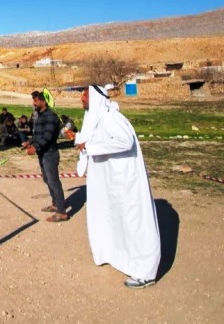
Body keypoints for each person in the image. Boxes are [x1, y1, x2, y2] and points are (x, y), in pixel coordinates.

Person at [75, 85, 161, 289]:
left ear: (95, 99)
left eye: (85, 95)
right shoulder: (99, 120)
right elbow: (97, 141)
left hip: (124, 181)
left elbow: (125, 141)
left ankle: (145, 272)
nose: (82, 99)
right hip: (109, 180)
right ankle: (115, 256)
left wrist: (90, 147)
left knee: (133, 222)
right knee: (111, 218)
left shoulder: (110, 118)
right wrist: (82, 142)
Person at [23, 91, 67, 222]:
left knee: (54, 182)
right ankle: (55, 204)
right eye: (33, 100)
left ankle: (62, 212)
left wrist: (35, 147)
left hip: (50, 154)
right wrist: (30, 142)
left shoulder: (51, 116)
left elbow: (48, 137)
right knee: (47, 180)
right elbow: (38, 135)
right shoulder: (39, 115)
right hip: (42, 154)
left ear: (43, 101)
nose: (34, 103)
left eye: (36, 101)